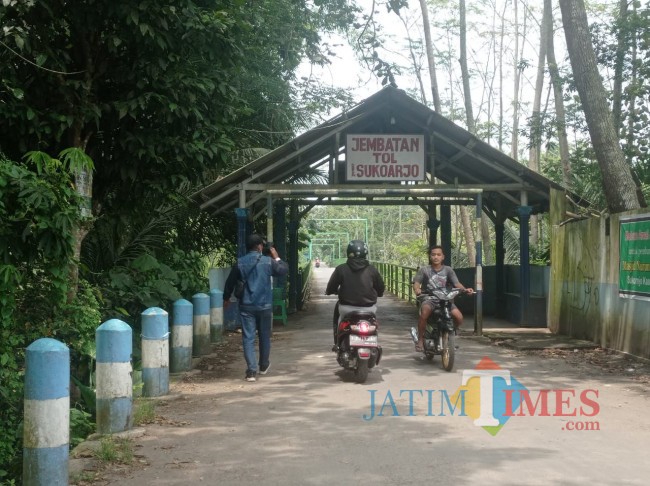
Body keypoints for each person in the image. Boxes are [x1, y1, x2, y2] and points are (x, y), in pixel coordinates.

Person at [223, 234, 288, 382]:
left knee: (248, 337)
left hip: (246, 306)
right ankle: (263, 366)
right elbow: (283, 270)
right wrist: (276, 257)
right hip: (264, 306)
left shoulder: (240, 263)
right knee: (264, 336)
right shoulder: (268, 261)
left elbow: (230, 282)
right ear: (259, 246)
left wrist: (226, 299)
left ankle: (251, 371)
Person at [412, 245, 474, 352]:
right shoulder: (424, 270)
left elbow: (456, 283)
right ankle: (420, 340)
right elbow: (416, 283)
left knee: (459, 318)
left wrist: (465, 290)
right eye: (433, 254)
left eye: (438, 255)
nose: (436, 257)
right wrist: (417, 289)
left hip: (445, 300)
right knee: (424, 313)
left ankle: (451, 336)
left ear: (443, 257)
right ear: (430, 256)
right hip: (429, 299)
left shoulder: (448, 270)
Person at [325, 240, 385, 346]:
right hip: (369, 308)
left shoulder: (341, 269)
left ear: (349, 253)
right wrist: (379, 293)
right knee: (373, 323)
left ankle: (338, 342)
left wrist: (330, 291)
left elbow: (331, 287)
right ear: (365, 253)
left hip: (346, 308)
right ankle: (373, 341)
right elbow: (381, 288)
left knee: (339, 318)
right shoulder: (372, 270)